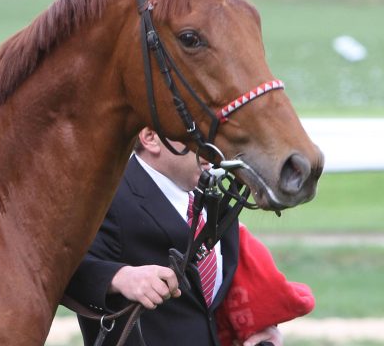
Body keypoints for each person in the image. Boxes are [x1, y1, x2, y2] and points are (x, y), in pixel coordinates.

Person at [65, 127, 283, 346]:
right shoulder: (105, 195)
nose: (213, 150)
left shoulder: (211, 195)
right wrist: (119, 277)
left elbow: (213, 290)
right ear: (150, 138)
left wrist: (259, 327)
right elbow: (58, 271)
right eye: (198, 136)